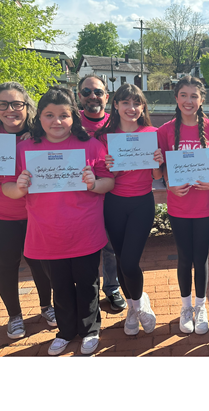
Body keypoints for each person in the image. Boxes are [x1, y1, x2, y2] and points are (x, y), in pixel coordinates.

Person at [2, 87, 114, 356]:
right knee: (60, 285)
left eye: (64, 115)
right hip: (47, 233)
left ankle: (90, 329)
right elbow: (7, 188)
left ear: (73, 117)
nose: (57, 122)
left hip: (85, 231)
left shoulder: (91, 145)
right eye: (49, 115)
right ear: (39, 118)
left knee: (88, 283)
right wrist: (19, 187)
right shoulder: (25, 148)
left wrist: (94, 183)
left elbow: (109, 182)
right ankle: (65, 330)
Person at [0, 82, 53, 340]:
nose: (10, 110)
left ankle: (46, 307)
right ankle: (14, 315)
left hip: (34, 213)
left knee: (41, 263)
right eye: (3, 104)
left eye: (17, 104)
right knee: (6, 264)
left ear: (26, 107)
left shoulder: (40, 134)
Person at [95, 83, 164, 336]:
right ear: (115, 105)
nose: (131, 108)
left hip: (141, 203)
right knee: (122, 260)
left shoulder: (152, 133)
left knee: (130, 261)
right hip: (113, 204)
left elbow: (157, 175)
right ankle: (135, 308)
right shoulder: (104, 137)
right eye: (125, 102)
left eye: (136, 103)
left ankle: (138, 301)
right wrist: (108, 165)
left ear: (143, 106)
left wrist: (158, 162)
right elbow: (102, 174)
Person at [157, 75, 209, 335]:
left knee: (201, 256)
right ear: (176, 98)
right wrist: (168, 182)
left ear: (202, 99)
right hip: (179, 206)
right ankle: (185, 307)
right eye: (184, 95)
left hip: (204, 205)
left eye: (194, 96)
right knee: (184, 257)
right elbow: (161, 167)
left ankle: (201, 306)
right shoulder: (165, 130)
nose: (189, 100)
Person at [77, 74, 126, 312]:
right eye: (87, 92)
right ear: (79, 96)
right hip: (79, 198)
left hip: (111, 195)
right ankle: (87, 292)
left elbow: (145, 135)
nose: (92, 96)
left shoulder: (116, 123)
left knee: (109, 246)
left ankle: (112, 287)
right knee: (83, 246)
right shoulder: (70, 123)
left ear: (107, 97)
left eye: (98, 92)